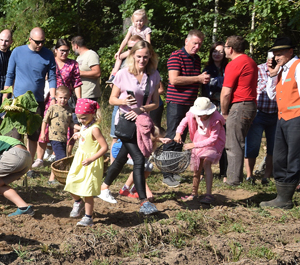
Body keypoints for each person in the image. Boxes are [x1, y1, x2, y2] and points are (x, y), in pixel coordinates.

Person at [97, 41, 161, 216]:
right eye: (139, 56)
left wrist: (141, 109)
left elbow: (155, 103)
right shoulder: (123, 74)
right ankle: (143, 202)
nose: (142, 60)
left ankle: (104, 187)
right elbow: (111, 99)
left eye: (146, 56)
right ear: (132, 55)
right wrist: (124, 102)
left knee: (121, 158)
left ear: (150, 56)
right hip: (125, 121)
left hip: (141, 122)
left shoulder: (154, 75)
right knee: (139, 159)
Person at [162, 29, 208, 187]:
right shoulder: (176, 56)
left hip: (191, 104)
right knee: (173, 136)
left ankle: (173, 171)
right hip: (176, 103)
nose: (197, 47)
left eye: (200, 44)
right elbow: (174, 80)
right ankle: (166, 173)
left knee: (181, 137)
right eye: (195, 43)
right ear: (186, 41)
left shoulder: (197, 60)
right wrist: (198, 78)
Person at [4, 27, 56, 160]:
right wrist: (5, 98)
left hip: (36, 101)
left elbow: (52, 78)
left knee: (33, 134)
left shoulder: (48, 54)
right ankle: (16, 163)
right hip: (18, 102)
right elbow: (10, 76)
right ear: (30, 39)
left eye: (42, 42)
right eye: (37, 42)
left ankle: (29, 166)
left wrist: (54, 98)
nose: (40, 45)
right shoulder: (17, 52)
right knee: (15, 135)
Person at [261, 37, 300, 209]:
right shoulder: (281, 70)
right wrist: (272, 75)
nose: (277, 57)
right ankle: (282, 196)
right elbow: (271, 95)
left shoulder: (298, 67)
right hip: (283, 117)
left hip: (296, 117)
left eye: (280, 53)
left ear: (290, 52)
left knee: (294, 157)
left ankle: (285, 199)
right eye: (275, 54)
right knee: (280, 157)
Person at [32, 38, 82, 168]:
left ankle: (65, 158)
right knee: (46, 127)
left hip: (66, 101)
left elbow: (77, 83)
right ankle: (39, 158)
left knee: (67, 127)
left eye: (66, 51)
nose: (64, 53)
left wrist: (79, 101)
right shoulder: (50, 61)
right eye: (61, 51)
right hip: (51, 99)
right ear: (56, 50)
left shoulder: (73, 64)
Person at [64, 99, 109, 227]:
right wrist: (79, 134)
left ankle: (88, 217)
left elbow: (105, 147)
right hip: (80, 160)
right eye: (79, 118)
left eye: (83, 118)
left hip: (91, 162)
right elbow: (85, 133)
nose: (81, 121)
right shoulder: (86, 126)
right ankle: (78, 202)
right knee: (70, 181)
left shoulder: (95, 129)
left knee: (87, 191)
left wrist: (91, 159)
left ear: (92, 114)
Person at [220, 35, 258, 186]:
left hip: (240, 105)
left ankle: (233, 180)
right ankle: (235, 177)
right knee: (239, 140)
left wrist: (224, 113)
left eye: (225, 46)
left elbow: (226, 92)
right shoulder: (250, 61)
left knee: (233, 142)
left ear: (230, 48)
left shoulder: (235, 63)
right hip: (250, 105)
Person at [175, 97, 226, 204]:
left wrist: (194, 145)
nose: (199, 117)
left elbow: (213, 139)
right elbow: (184, 121)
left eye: (201, 115)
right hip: (199, 139)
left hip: (213, 144)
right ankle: (194, 193)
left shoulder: (216, 120)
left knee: (207, 164)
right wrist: (178, 133)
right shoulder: (194, 113)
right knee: (196, 168)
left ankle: (208, 194)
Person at [244, 52, 278, 184]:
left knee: (273, 147)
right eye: (271, 58)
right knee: (252, 145)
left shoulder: (282, 70)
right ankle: (249, 175)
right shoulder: (257, 69)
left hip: (275, 114)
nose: (272, 61)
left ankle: (266, 177)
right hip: (258, 113)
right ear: (267, 58)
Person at [202, 42, 229, 179]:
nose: (217, 54)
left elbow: (229, 83)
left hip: (225, 107)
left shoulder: (229, 67)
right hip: (209, 106)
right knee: (206, 137)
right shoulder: (207, 69)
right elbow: (204, 87)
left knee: (223, 138)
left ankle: (224, 172)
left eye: (220, 51)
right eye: (214, 51)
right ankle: (203, 171)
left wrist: (215, 81)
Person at [40, 86, 73, 184]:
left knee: (60, 158)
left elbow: (70, 123)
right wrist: (43, 133)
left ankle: (52, 178)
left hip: (63, 138)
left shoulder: (69, 110)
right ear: (56, 97)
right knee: (61, 157)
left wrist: (82, 128)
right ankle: (55, 178)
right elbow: (45, 121)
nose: (63, 100)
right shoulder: (53, 108)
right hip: (54, 137)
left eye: (65, 98)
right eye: (61, 97)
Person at [111, 9, 152, 75]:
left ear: (145, 20)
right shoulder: (132, 28)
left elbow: (148, 41)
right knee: (119, 57)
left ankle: (148, 72)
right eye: (137, 21)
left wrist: (148, 51)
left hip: (141, 50)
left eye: (141, 21)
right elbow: (125, 40)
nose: (139, 23)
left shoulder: (146, 30)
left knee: (146, 59)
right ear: (133, 21)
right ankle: (114, 74)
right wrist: (119, 51)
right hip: (132, 50)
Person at [71, 36, 102, 103]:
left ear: (76, 45)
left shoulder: (91, 54)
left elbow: (97, 73)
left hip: (89, 95)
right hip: (81, 94)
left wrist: (78, 72)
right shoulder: (79, 57)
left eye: (72, 47)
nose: (73, 49)